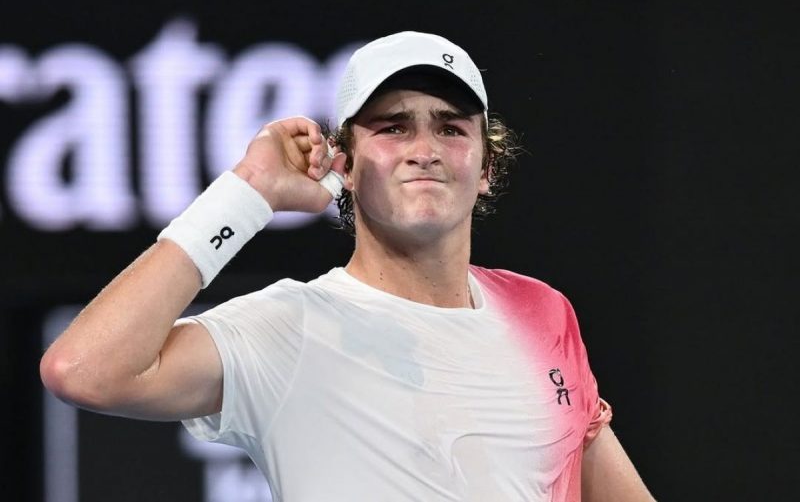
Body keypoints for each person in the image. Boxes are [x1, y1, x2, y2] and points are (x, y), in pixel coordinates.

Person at [40, 31, 655, 501]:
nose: (424, 151)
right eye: (393, 128)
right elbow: (83, 370)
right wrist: (248, 191)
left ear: (486, 168)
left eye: (450, 129)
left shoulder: (541, 311)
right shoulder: (290, 328)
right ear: (347, 166)